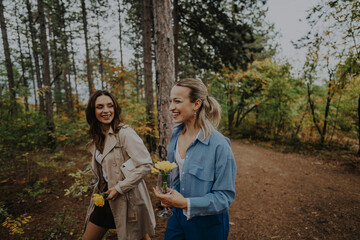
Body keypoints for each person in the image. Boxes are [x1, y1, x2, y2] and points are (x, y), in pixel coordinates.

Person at [153, 78, 237, 239]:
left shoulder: (219, 145)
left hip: (208, 227)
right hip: (177, 219)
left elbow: (224, 197)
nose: (171, 107)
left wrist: (186, 203)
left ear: (196, 104)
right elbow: (176, 178)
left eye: (177, 101)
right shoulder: (175, 136)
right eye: (170, 101)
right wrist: (170, 197)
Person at [83, 90, 155, 240]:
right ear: (93, 111)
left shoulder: (124, 133)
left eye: (110, 106)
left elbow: (145, 164)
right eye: (100, 107)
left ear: (115, 108)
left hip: (128, 200)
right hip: (105, 198)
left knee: (138, 236)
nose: (106, 111)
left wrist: (119, 188)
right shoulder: (97, 136)